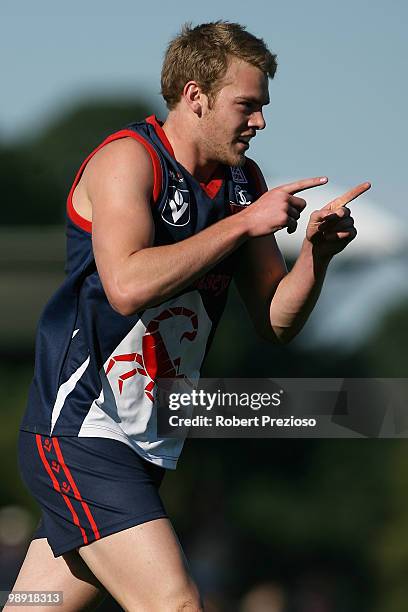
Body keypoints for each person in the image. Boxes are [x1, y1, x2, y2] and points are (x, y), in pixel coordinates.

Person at [10, 21, 369, 611]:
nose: (260, 122)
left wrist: (315, 255)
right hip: (79, 431)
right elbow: (125, 285)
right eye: (247, 105)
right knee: (175, 604)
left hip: (144, 443)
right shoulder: (129, 160)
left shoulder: (240, 185)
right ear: (195, 96)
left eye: (263, 107)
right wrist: (243, 224)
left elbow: (276, 321)